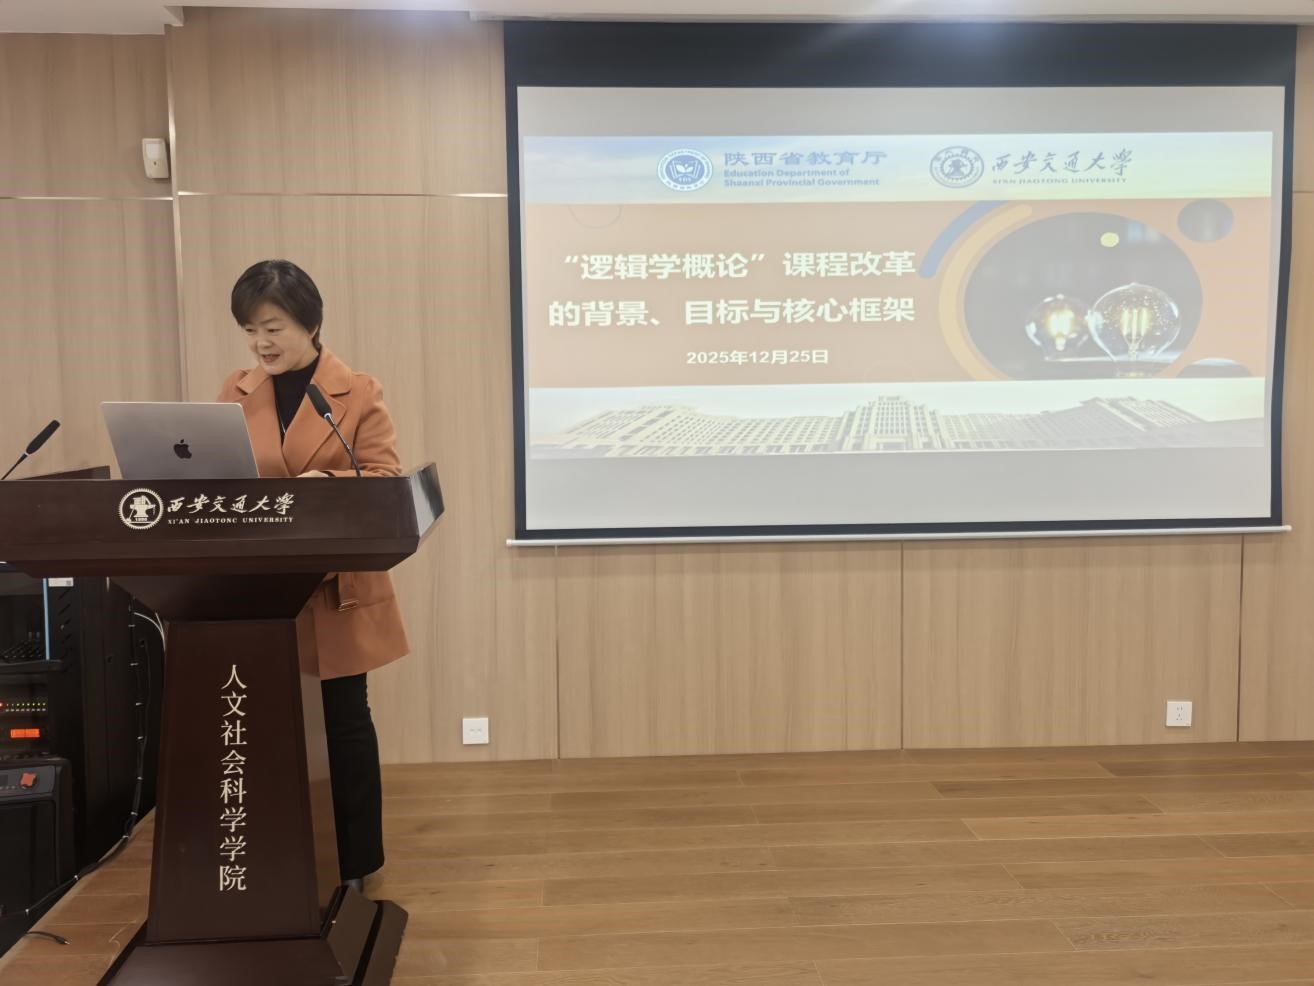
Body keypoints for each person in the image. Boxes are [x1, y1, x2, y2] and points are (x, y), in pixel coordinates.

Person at [217, 259, 407, 892]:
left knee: (343, 721)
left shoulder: (357, 391)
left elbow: (384, 480)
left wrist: (330, 482)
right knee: (265, 726)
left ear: (310, 323)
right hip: (258, 589)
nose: (261, 343)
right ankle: (280, 858)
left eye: (273, 327)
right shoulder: (236, 392)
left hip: (330, 590)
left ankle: (355, 864)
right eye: (251, 330)